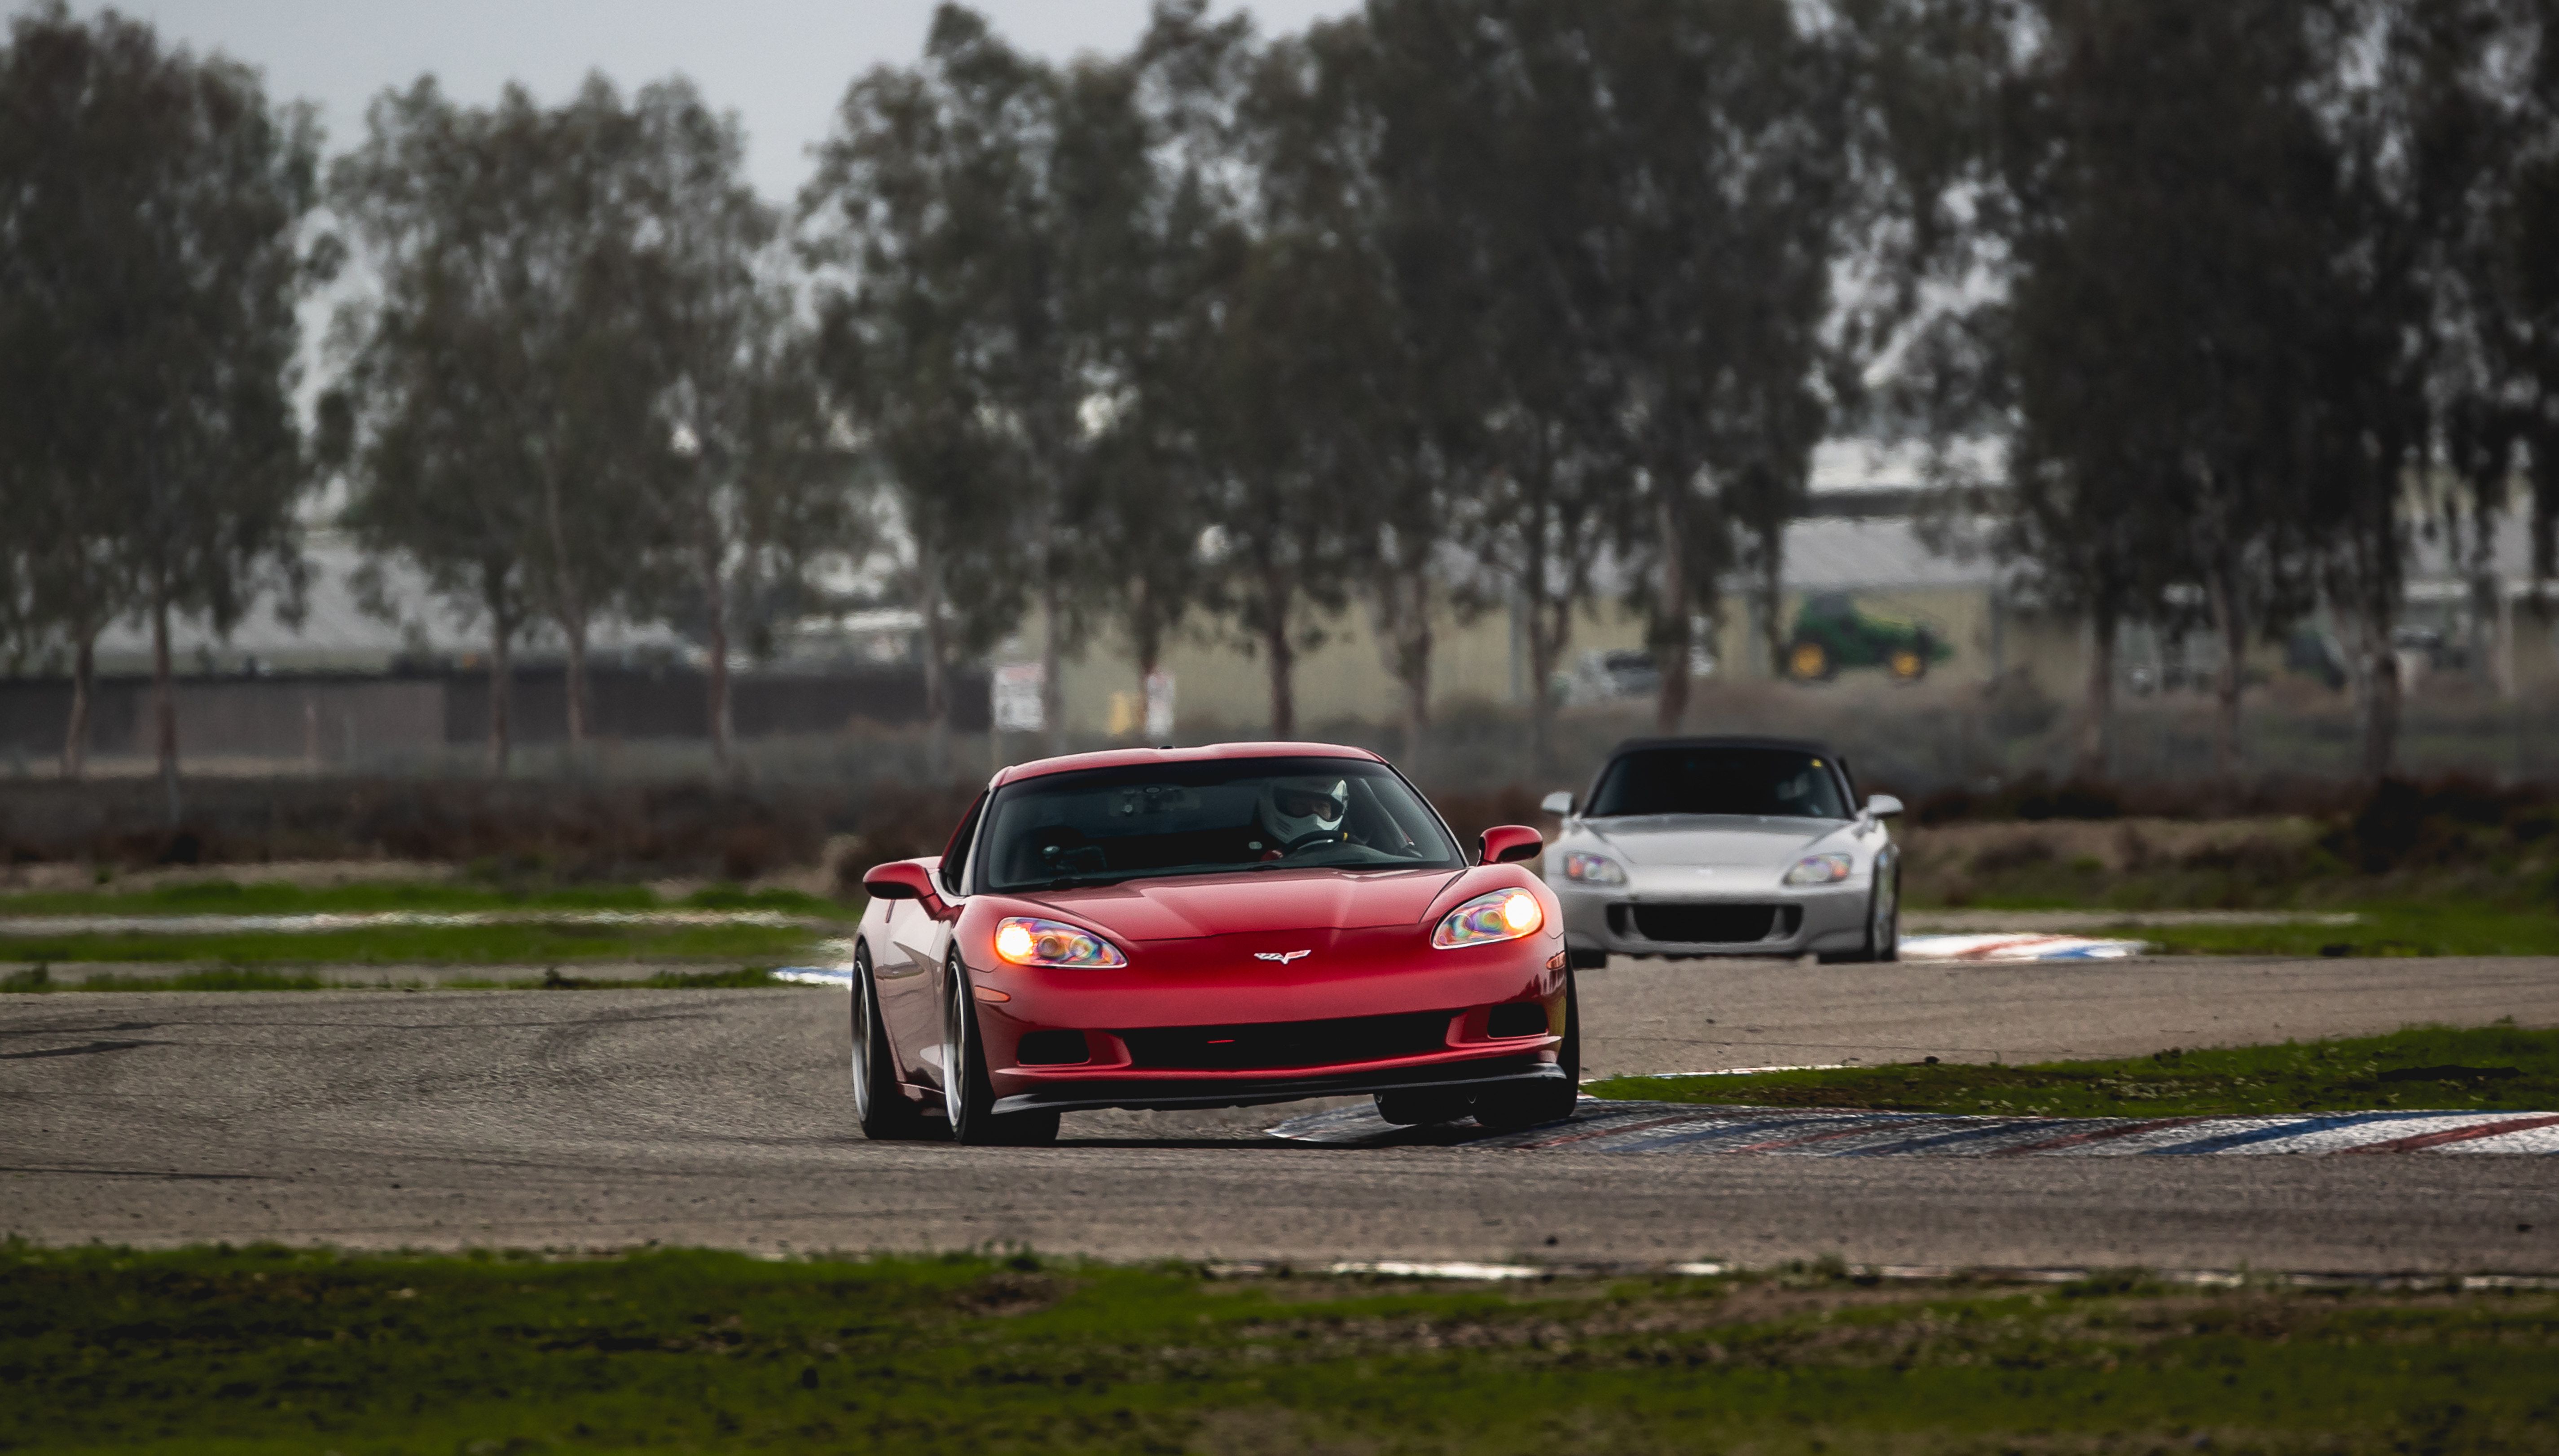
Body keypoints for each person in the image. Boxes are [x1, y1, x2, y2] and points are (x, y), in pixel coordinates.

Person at [1253, 776, 1350, 859]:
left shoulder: (1349, 854)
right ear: (1282, 807)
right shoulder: (1248, 856)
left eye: (1322, 806)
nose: (1314, 817)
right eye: (1301, 805)